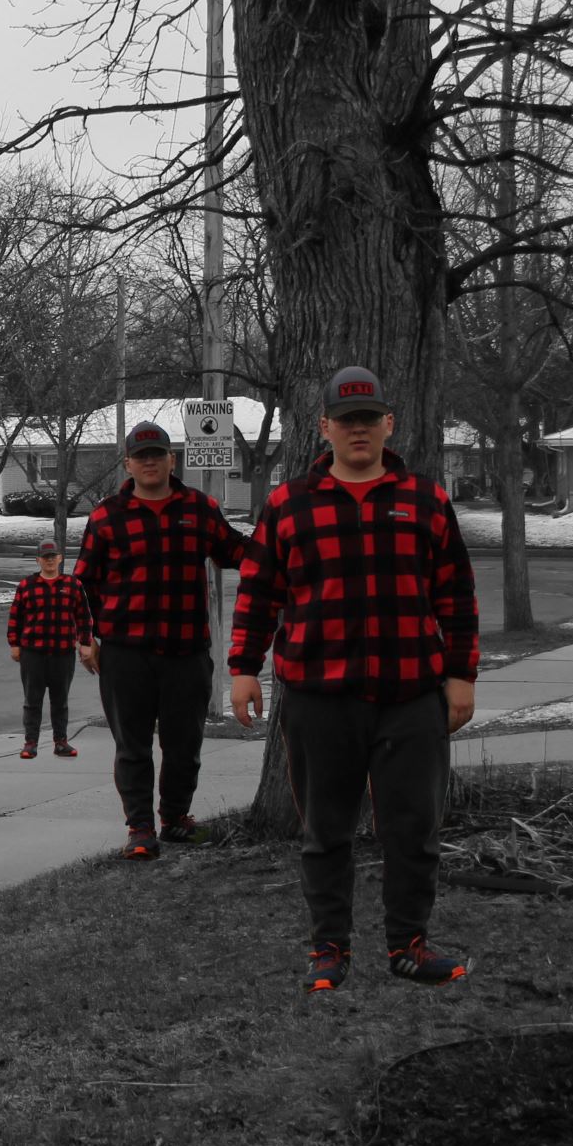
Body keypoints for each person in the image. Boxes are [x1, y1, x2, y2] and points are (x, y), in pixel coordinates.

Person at [230, 366, 480, 993]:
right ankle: (329, 949)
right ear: (325, 428)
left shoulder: (426, 501)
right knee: (325, 831)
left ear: (389, 423)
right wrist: (243, 669)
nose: (358, 429)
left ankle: (408, 945)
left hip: (411, 695)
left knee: (413, 829)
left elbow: (456, 597)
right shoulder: (289, 504)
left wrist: (461, 676)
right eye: (346, 420)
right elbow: (258, 594)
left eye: (369, 418)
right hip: (319, 697)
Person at [74, 418, 250, 859]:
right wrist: (85, 638)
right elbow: (82, 585)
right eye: (141, 456)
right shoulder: (106, 517)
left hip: (186, 652)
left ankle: (174, 820)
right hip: (125, 654)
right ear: (128, 464)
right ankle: (140, 830)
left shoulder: (200, 509)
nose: (149, 462)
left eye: (157, 455)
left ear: (172, 460)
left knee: (184, 746)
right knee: (132, 747)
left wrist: (285, 548)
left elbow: (235, 551)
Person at [6, 539, 90, 759]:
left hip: (63, 653)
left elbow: (83, 617)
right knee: (32, 700)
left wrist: (86, 643)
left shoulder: (72, 585)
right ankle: (30, 743)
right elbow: (15, 617)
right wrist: (14, 644)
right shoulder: (27, 586)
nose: (49, 561)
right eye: (45, 557)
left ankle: (61, 742)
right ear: (38, 560)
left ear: (60, 558)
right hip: (33, 653)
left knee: (60, 701)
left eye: (53, 556)